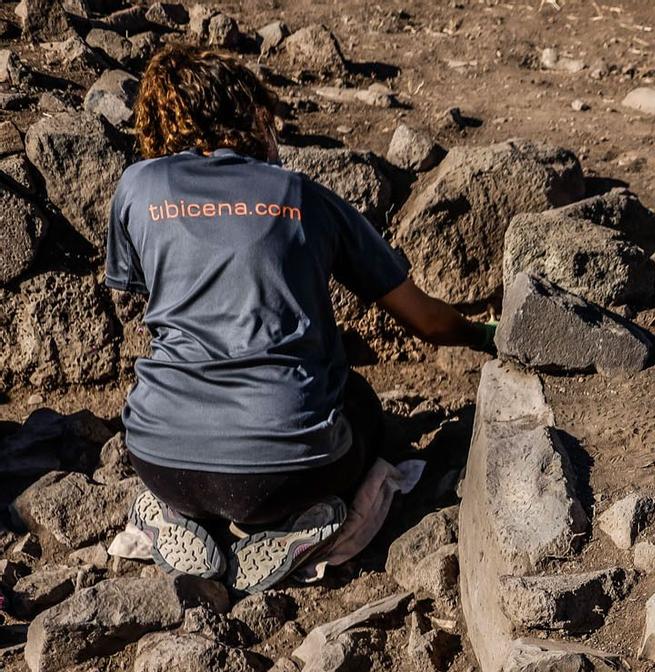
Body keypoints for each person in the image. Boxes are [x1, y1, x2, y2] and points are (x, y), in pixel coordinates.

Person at [107, 45, 493, 592]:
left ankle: (173, 518)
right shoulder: (304, 198)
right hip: (288, 473)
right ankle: (299, 530)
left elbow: (151, 295)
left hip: (159, 457)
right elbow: (428, 323)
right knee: (359, 405)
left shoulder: (138, 187)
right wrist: (487, 335)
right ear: (250, 115)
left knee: (191, 457)